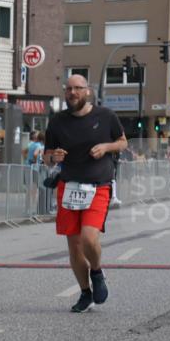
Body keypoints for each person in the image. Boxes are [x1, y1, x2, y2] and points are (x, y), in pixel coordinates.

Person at [44, 75, 127, 313]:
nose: (73, 92)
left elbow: (123, 142)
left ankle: (97, 272)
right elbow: (46, 156)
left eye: (78, 88)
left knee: (89, 238)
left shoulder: (106, 116)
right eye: (69, 89)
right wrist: (53, 157)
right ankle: (84, 292)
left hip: (98, 185)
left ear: (87, 91)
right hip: (69, 187)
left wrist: (106, 147)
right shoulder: (57, 121)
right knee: (74, 245)